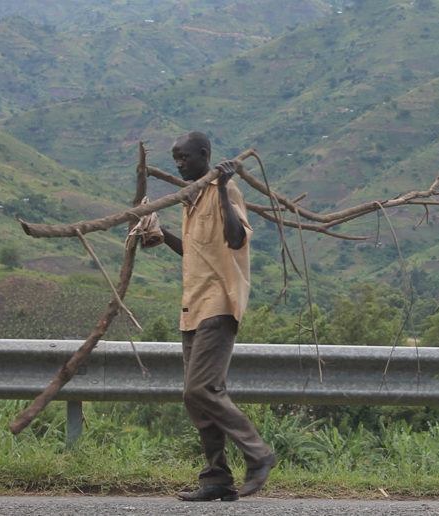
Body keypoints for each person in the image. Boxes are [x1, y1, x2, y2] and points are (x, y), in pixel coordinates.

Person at [158, 130, 277, 502]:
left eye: (185, 158)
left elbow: (235, 238)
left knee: (200, 388)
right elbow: (194, 253)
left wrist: (224, 188)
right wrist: (160, 234)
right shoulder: (189, 199)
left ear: (205, 155)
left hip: (219, 304)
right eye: (175, 158)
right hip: (192, 306)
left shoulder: (226, 192)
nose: (179, 164)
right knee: (197, 396)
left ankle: (258, 453)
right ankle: (216, 479)